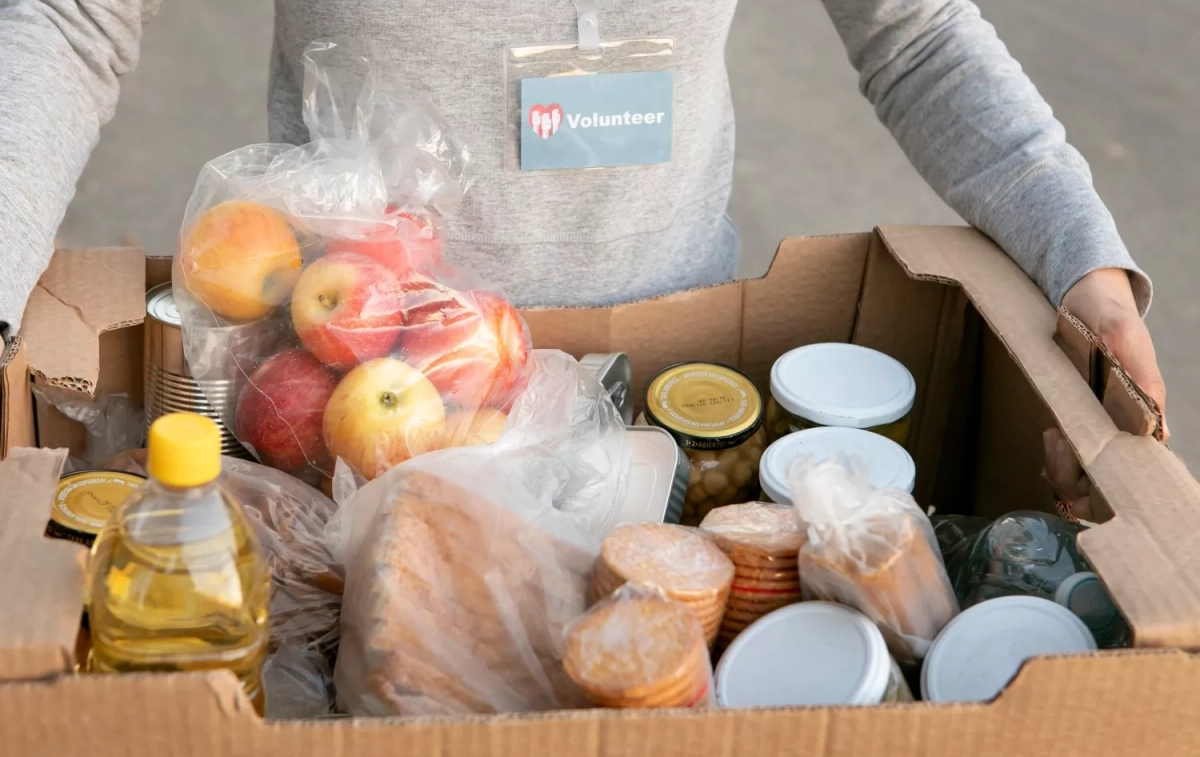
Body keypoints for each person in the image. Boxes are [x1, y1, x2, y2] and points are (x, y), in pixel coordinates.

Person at [0, 0, 1166, 430]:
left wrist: (1081, 255)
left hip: (670, 400)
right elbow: (68, 19)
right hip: (353, 402)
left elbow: (916, 33)